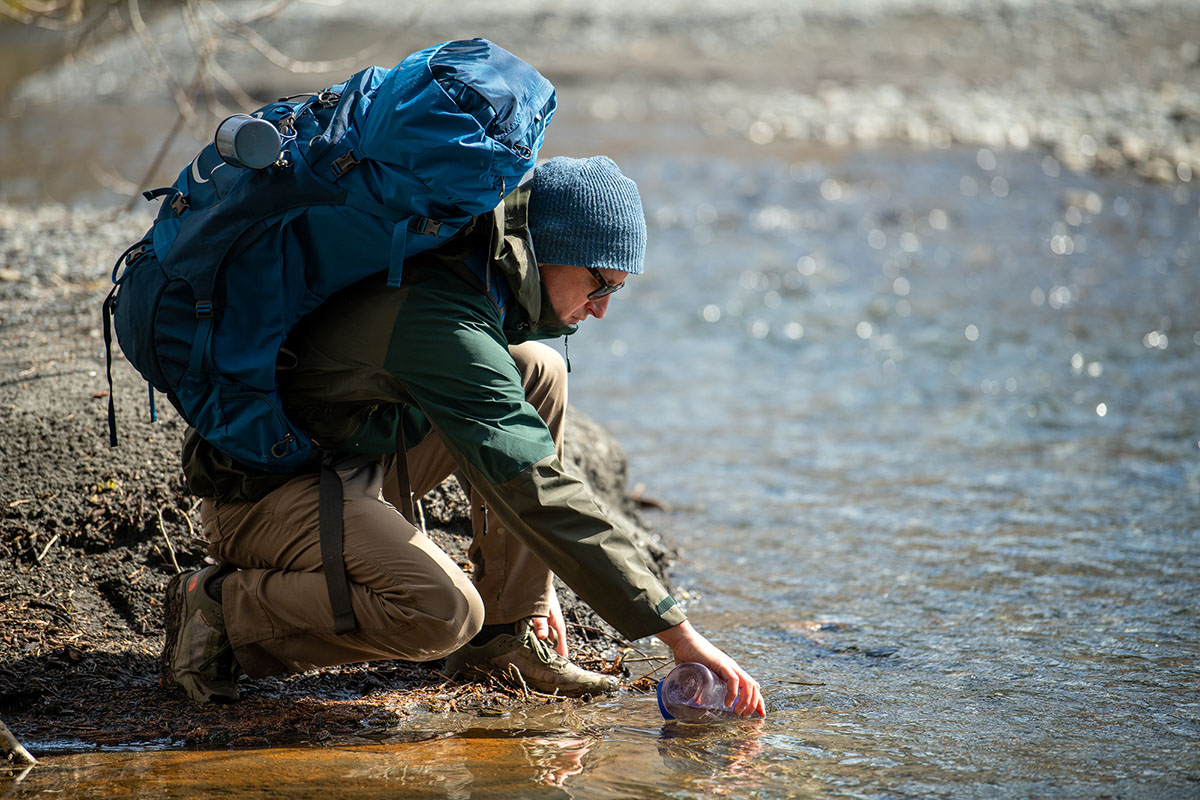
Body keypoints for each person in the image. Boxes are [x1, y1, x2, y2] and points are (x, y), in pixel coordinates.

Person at [160, 155, 765, 717]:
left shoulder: (474, 273)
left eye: (616, 290)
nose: (602, 307)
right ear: (550, 251)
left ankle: (505, 639)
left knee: (537, 369)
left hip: (346, 459)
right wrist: (679, 636)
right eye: (600, 283)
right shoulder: (442, 318)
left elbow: (509, 443)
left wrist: (533, 587)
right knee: (441, 613)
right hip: (262, 496)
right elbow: (534, 484)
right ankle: (219, 609)